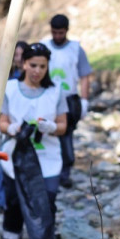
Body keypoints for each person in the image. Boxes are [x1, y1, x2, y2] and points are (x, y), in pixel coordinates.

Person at [0, 42, 66, 239]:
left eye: (42, 67)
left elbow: (63, 124)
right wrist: (11, 128)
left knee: (47, 201)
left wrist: (51, 127)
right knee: (14, 204)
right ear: (24, 63)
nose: (37, 71)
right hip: (15, 158)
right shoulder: (9, 89)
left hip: (47, 158)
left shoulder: (55, 91)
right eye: (33, 65)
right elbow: (2, 121)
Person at [40, 15, 91, 188]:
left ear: (66, 31)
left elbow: (84, 76)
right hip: (47, 98)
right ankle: (46, 171)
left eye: (61, 33)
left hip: (69, 100)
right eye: (54, 32)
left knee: (66, 135)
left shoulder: (76, 49)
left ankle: (64, 172)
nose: (58, 36)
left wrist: (84, 100)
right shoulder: (44, 47)